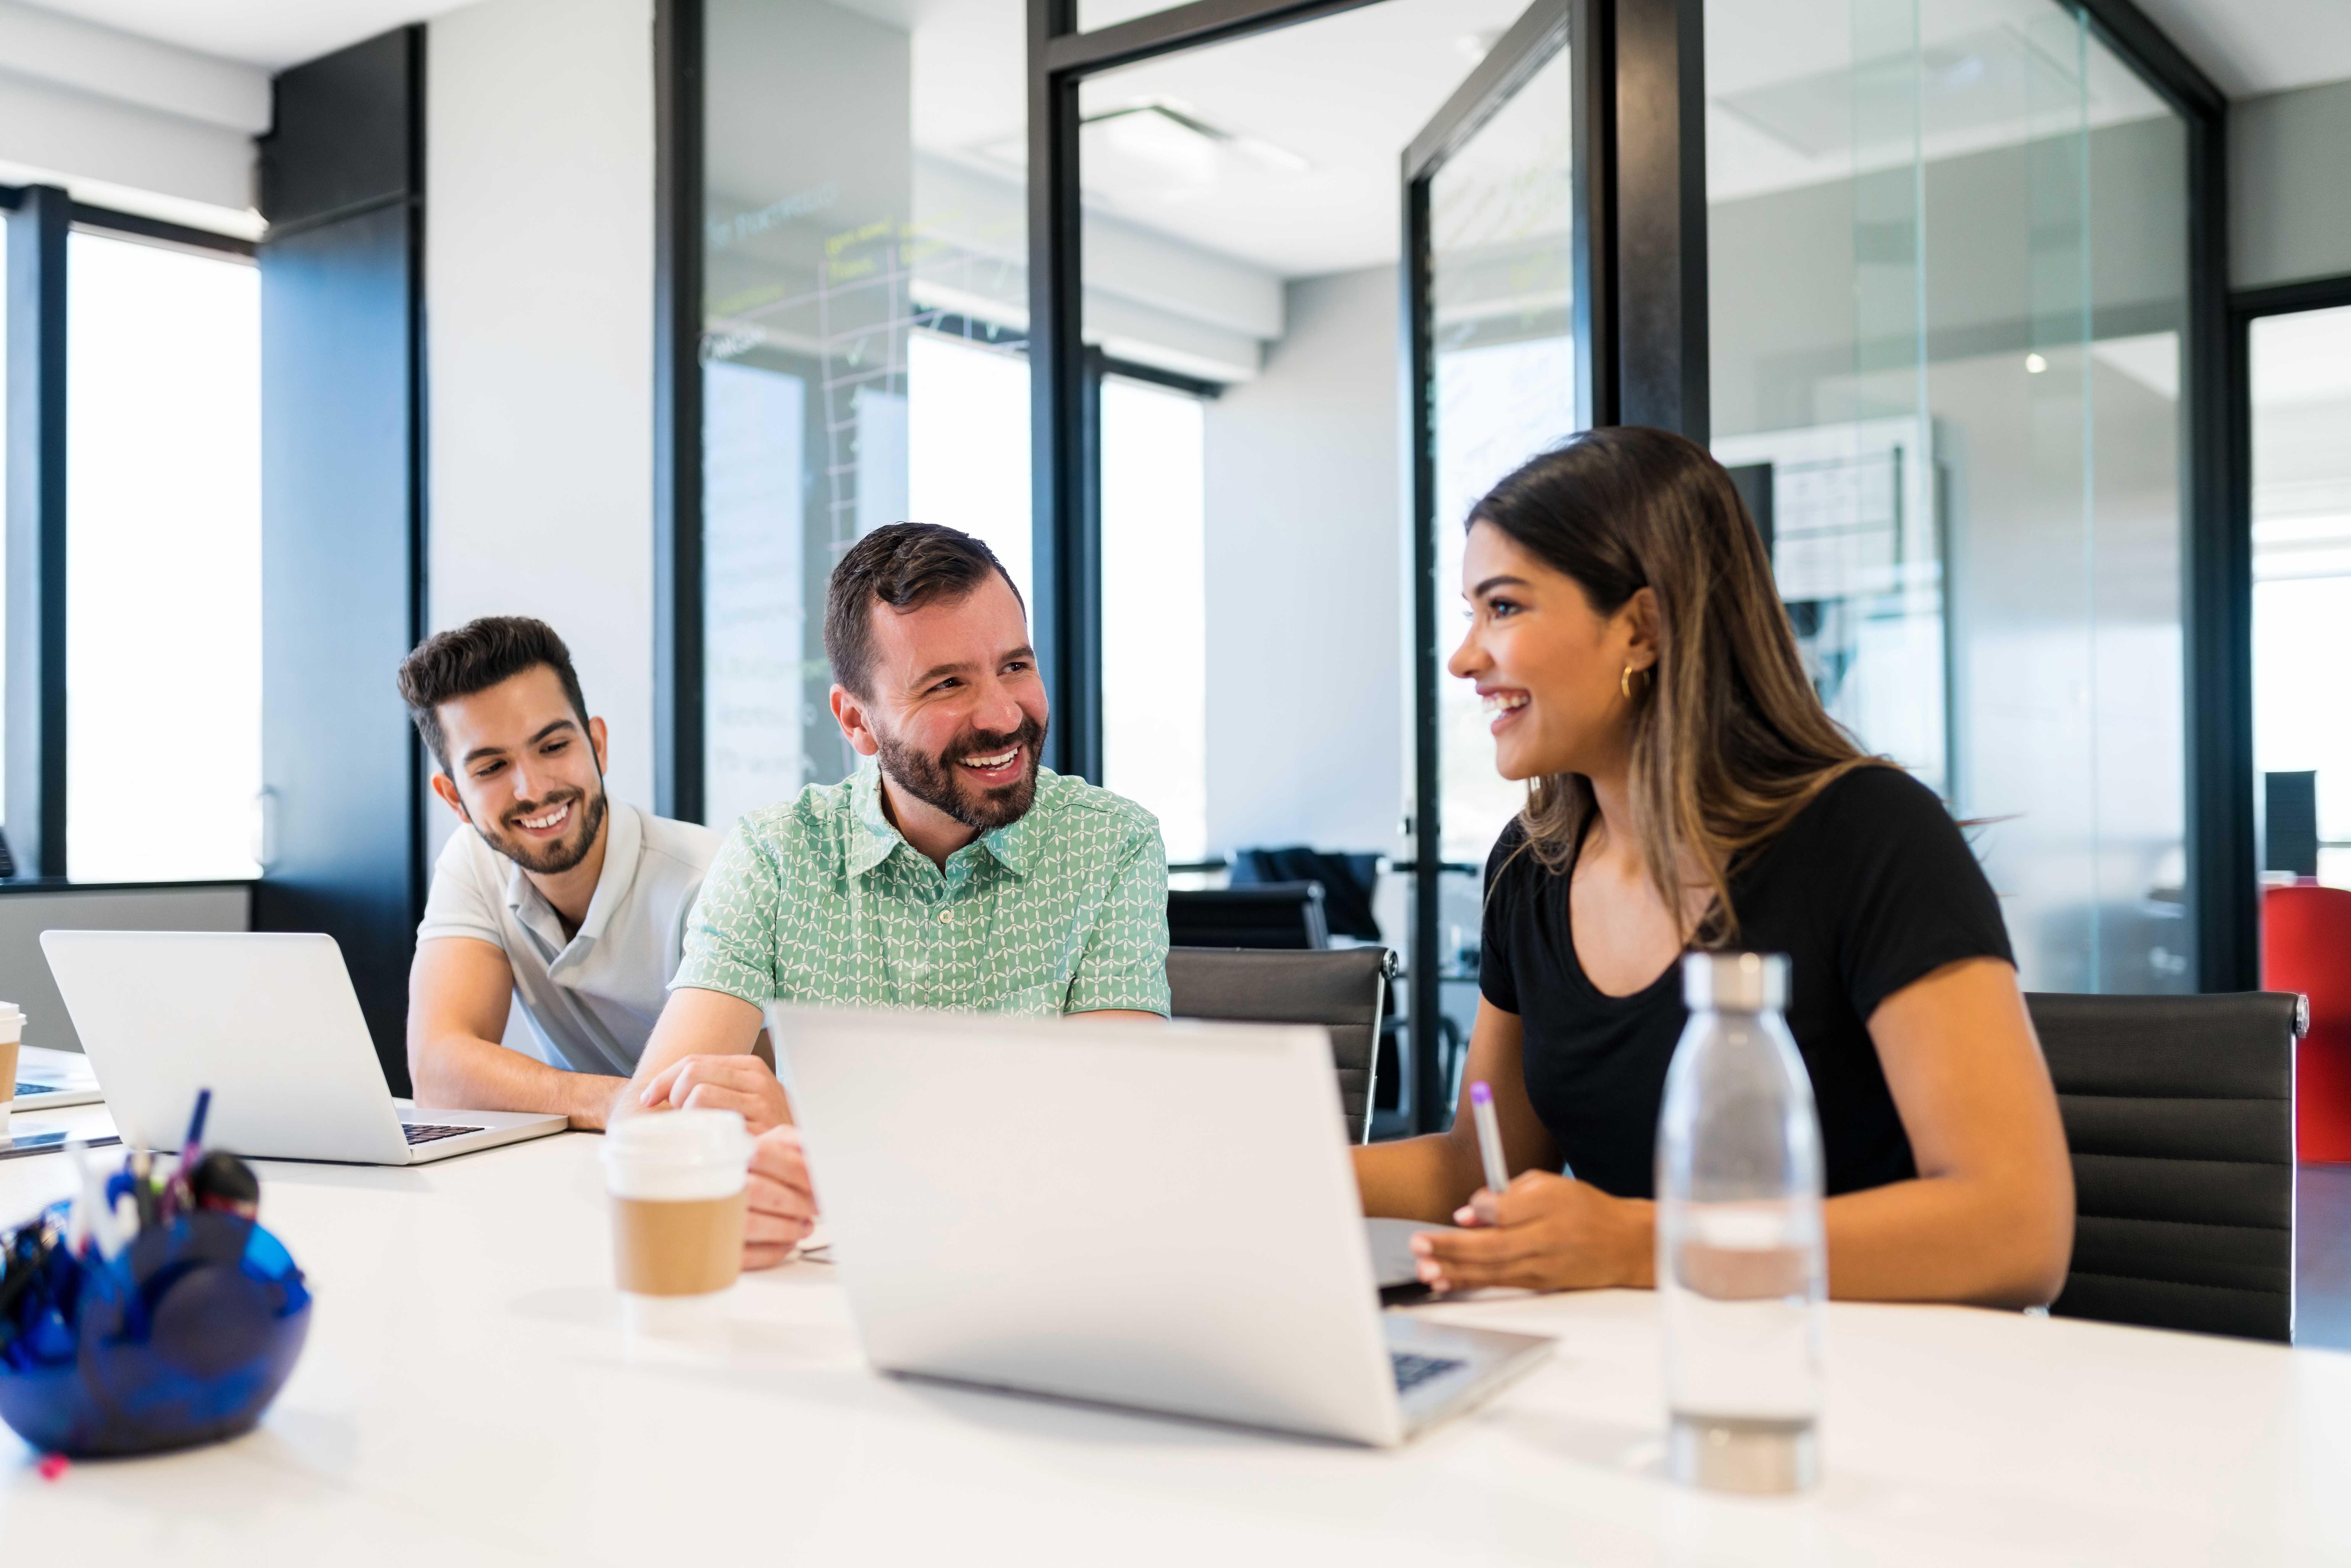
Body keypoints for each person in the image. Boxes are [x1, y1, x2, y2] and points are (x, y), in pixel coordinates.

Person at [1361, 427, 2075, 1308]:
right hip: (1640, 1371)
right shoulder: (1530, 866)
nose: (1466, 657)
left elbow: (2014, 1229)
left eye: (1503, 608)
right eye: (1471, 613)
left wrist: (1634, 1245)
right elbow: (1482, 1163)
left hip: (1877, 1384)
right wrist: (1242, 1165)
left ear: (1643, 628)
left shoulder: (1870, 836)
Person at [621, 522, 1171, 1266]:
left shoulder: (1113, 844)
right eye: (947, 684)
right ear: (857, 721)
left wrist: (817, 1140)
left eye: (1015, 665)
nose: (1004, 714)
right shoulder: (777, 853)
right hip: (827, 1286)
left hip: (1046, 1266)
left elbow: (1110, 1128)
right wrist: (732, 1181)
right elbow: (651, 1118)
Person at [402, 617, 721, 1129]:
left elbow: (724, 1102)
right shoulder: (475, 859)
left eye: (553, 747)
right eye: (491, 769)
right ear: (454, 797)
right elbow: (438, 1074)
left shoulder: (711, 881)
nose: (532, 789)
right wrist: (612, 1103)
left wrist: (611, 1106)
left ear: (598, 745)